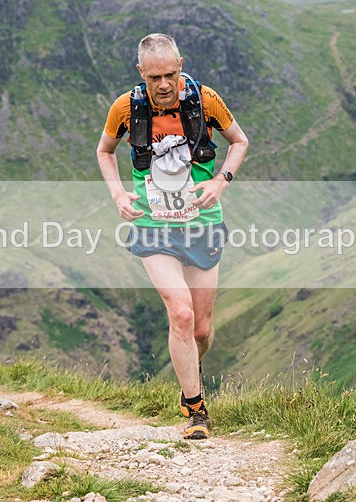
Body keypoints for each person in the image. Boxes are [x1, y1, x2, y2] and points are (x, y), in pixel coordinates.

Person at [96, 33, 249, 439]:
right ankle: (196, 409)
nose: (164, 84)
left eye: (171, 74)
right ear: (140, 72)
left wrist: (221, 181)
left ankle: (191, 369)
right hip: (153, 225)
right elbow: (105, 151)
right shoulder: (126, 108)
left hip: (202, 221)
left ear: (181, 64)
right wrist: (117, 193)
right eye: (155, 77)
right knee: (179, 313)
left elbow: (239, 142)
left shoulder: (205, 100)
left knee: (200, 329)